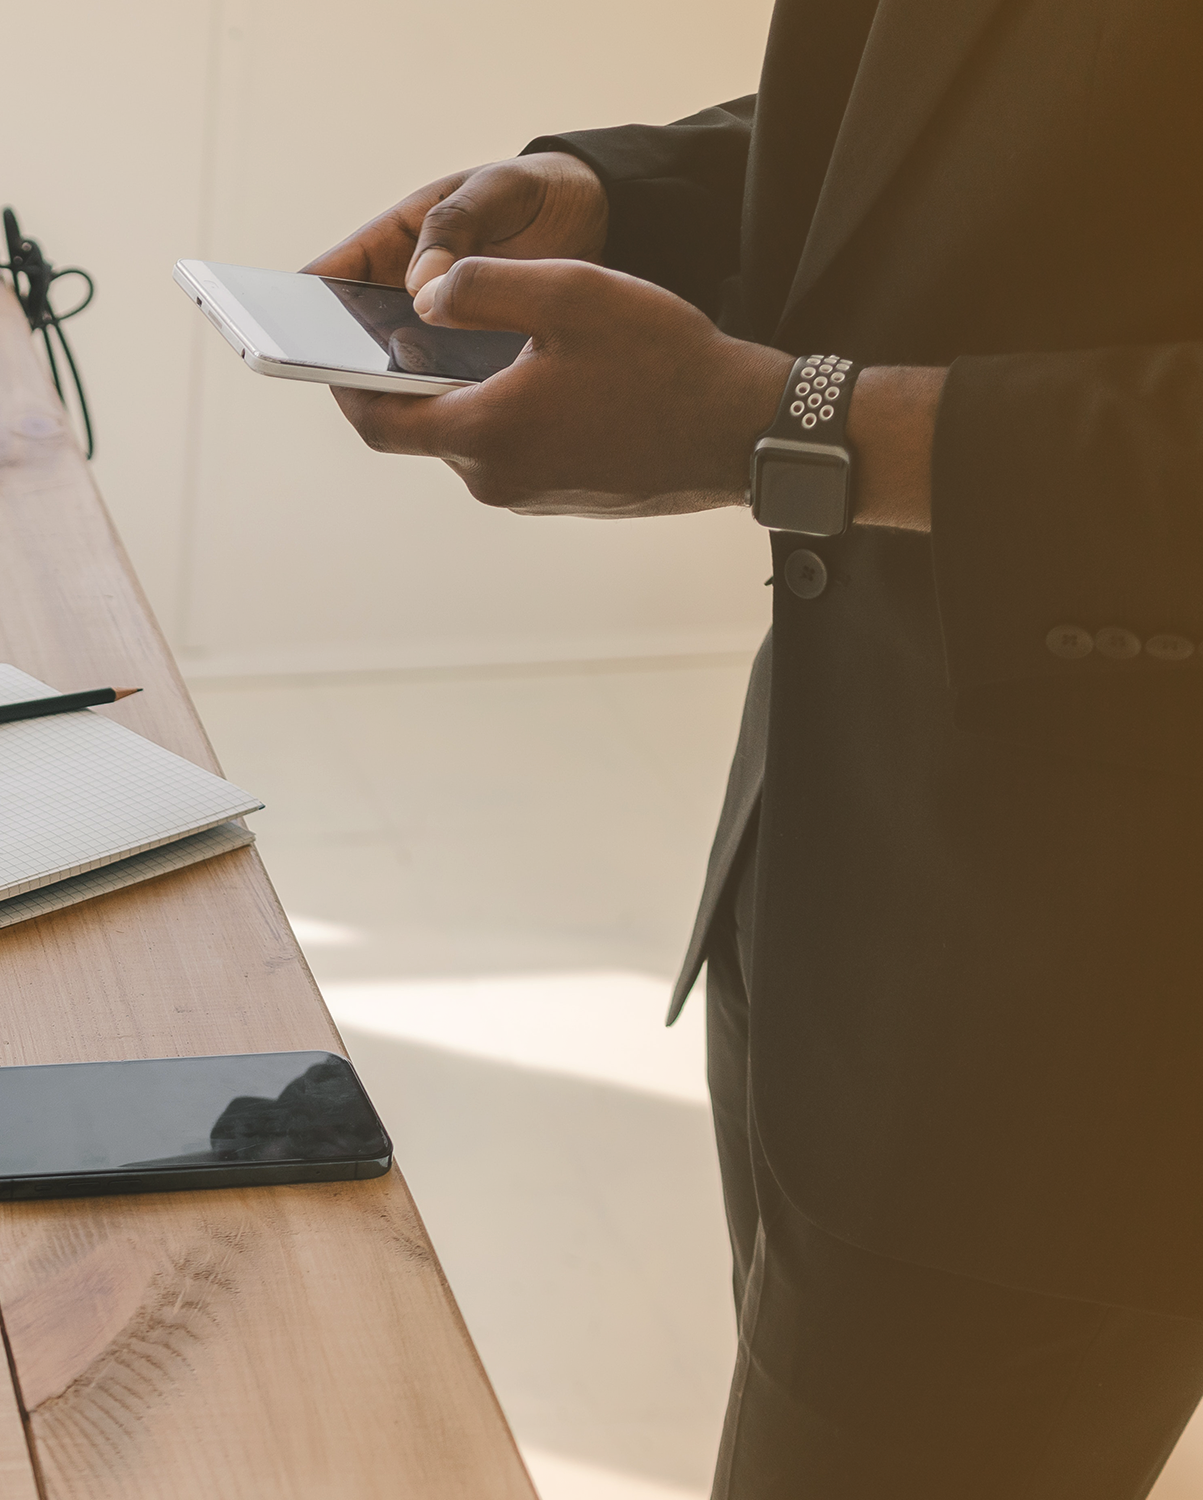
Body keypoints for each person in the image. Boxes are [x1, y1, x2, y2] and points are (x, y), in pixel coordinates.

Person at [302, 3, 1203, 1496]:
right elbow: (997, 117)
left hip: (1110, 989)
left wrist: (792, 427)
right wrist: (624, 198)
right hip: (850, 855)